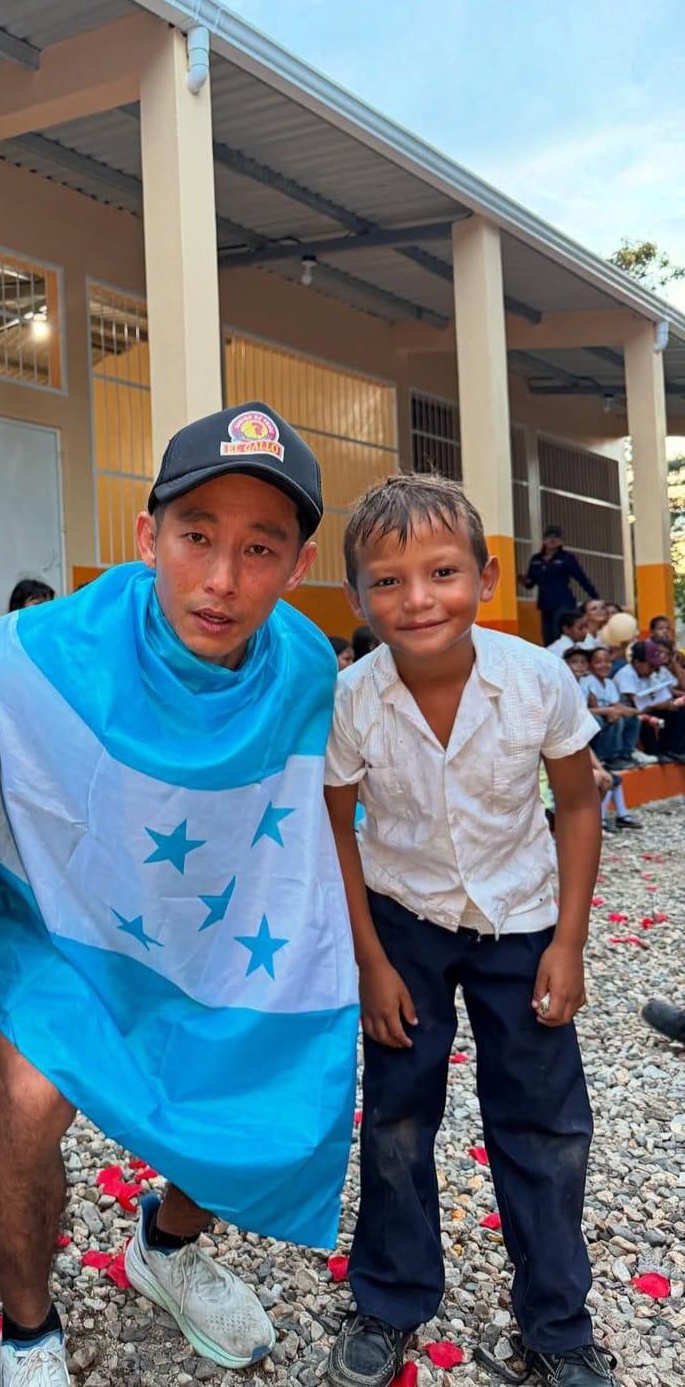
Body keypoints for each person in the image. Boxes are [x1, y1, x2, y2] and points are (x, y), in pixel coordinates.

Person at [0, 402, 358, 1386]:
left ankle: (168, 1242)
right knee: (26, 1099)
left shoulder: (311, 667)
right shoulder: (30, 647)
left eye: (260, 548)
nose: (223, 579)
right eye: (197, 538)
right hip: (58, 929)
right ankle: (28, 1333)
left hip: (213, 932)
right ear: (148, 537)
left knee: (279, 1090)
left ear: (298, 564)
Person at [323, 473, 617, 1387]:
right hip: (403, 922)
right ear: (359, 597)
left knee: (544, 1124)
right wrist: (369, 961)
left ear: (488, 577)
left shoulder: (535, 682)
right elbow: (338, 823)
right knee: (400, 1118)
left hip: (521, 921)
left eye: (442, 572)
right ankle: (390, 1297)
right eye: (388, 581)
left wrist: (568, 943)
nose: (417, 600)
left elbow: (576, 806)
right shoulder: (354, 700)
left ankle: (558, 1322)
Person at [523, 526, 599, 646]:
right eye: (549, 537)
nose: (552, 540)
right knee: (547, 637)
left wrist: (595, 597)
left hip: (563, 603)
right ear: (543, 540)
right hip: (545, 604)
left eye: (556, 537)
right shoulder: (536, 559)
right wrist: (524, 581)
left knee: (558, 634)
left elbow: (581, 578)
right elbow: (530, 584)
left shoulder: (567, 558)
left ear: (561, 541)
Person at [614, 641, 685, 762]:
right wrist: (662, 705)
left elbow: (662, 694)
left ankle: (675, 750)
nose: (654, 669)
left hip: (650, 707)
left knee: (679, 710)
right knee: (647, 719)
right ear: (637, 663)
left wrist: (670, 704)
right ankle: (654, 751)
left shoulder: (650, 674)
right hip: (631, 711)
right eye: (651, 666)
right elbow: (637, 704)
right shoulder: (626, 674)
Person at [583, 646, 649, 769]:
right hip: (593, 717)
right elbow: (582, 710)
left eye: (607, 661)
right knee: (616, 719)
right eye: (598, 662)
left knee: (632, 719)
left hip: (607, 714)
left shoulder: (609, 682)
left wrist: (634, 711)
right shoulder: (586, 682)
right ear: (590, 665)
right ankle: (608, 757)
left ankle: (626, 754)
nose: (604, 665)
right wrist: (610, 711)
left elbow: (615, 704)